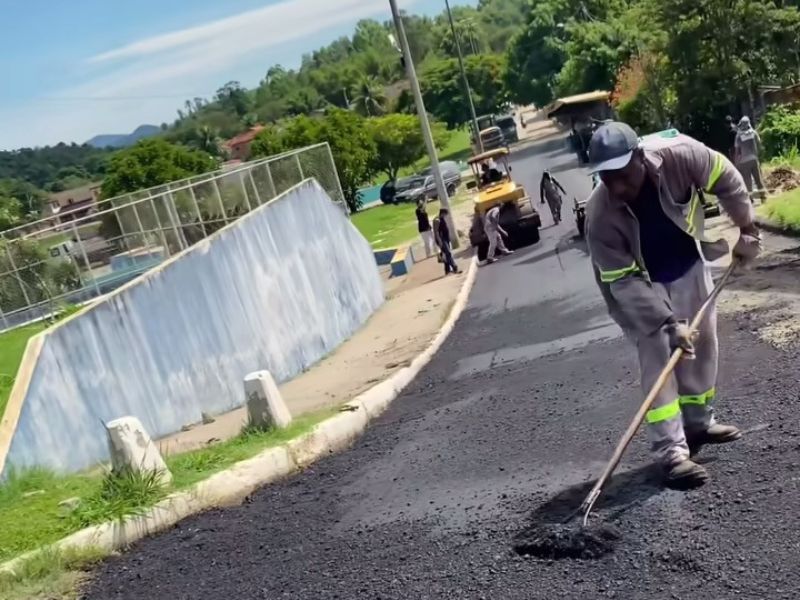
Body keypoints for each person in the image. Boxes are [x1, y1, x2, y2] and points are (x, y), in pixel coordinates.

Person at [585, 121, 761, 489]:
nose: (617, 186)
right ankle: (671, 453)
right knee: (659, 356)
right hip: (642, 286)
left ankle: (698, 423)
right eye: (606, 178)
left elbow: (727, 179)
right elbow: (623, 282)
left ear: (639, 158)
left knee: (703, 343)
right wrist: (667, 322)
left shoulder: (681, 155)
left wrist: (748, 229)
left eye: (622, 174)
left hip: (688, 263)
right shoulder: (600, 215)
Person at [734, 116, 765, 202]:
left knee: (747, 181)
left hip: (744, 161)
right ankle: (763, 197)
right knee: (758, 179)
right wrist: (759, 156)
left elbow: (737, 151)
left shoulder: (738, 136)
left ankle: (750, 199)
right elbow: (759, 145)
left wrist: (736, 162)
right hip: (754, 159)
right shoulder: (754, 133)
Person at [436, 208, 460, 275]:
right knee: (448, 253)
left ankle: (447, 270)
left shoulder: (442, 219)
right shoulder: (437, 220)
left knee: (446, 255)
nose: (445, 215)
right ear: (442, 213)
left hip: (446, 239)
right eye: (445, 214)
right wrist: (440, 241)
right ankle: (454, 267)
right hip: (442, 239)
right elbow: (436, 232)